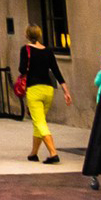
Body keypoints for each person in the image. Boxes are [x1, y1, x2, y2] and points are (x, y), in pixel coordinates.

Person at [16, 25, 71, 163]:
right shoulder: (48, 51)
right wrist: (66, 90)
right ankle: (33, 153)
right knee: (38, 122)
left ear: (27, 35)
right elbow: (56, 71)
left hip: (34, 90)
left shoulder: (25, 49)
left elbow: (22, 69)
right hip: (48, 89)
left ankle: (53, 152)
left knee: (40, 122)